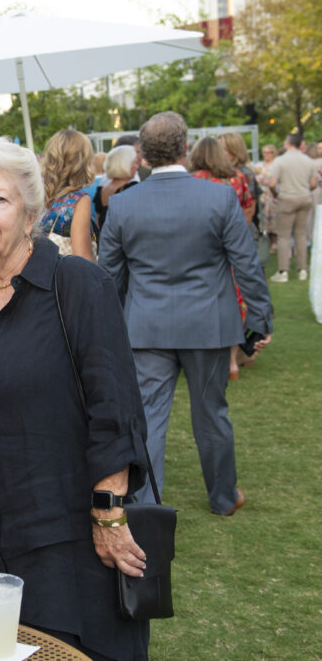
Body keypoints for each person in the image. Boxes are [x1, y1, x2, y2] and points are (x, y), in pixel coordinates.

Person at [0, 136, 150, 661]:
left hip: (71, 549)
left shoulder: (77, 286)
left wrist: (109, 514)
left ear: (29, 210)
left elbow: (117, 411)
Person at [99, 111, 272, 515]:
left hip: (147, 327)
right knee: (211, 414)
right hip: (205, 325)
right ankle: (223, 497)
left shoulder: (124, 206)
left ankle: (147, 506)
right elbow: (246, 264)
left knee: (151, 419)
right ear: (186, 147)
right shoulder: (218, 197)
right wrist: (259, 319)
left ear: (142, 154)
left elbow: (109, 277)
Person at [188, 136, 258, 381]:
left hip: (199, 251)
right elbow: (249, 207)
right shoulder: (237, 178)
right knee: (235, 303)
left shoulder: (192, 180)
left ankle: (203, 358)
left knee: (202, 300)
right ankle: (232, 362)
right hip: (231, 250)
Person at [266, 133, 319, 282]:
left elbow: (271, 183)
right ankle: (303, 270)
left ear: (288, 142)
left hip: (287, 198)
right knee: (301, 234)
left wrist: (276, 194)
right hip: (304, 198)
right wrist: (304, 190)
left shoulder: (280, 161)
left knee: (284, 236)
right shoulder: (308, 161)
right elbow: (314, 183)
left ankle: (283, 271)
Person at [40, 130, 97, 261]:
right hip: (65, 278)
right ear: (82, 161)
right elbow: (82, 259)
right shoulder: (78, 200)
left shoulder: (36, 193)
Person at [189, 137, 255, 225]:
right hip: (233, 228)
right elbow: (247, 206)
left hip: (202, 230)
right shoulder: (237, 175)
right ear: (220, 154)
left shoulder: (192, 178)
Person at [93, 145, 138, 230]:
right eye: (134, 163)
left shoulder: (102, 190)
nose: (137, 166)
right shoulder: (132, 189)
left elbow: (98, 222)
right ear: (125, 165)